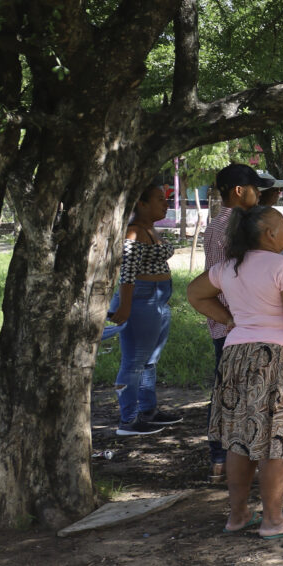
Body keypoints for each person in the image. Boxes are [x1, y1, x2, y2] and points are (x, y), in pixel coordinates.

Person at [187, 206, 283, 539]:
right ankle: (273, 520)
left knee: (239, 439)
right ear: (269, 234)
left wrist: (230, 320)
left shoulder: (229, 267)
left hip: (236, 357)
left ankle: (238, 515)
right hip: (279, 361)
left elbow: (194, 293)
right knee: (275, 440)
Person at [202, 164, 277, 479]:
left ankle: (235, 457)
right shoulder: (226, 228)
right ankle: (223, 458)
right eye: (254, 188)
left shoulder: (235, 223)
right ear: (238, 190)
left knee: (239, 390)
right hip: (234, 325)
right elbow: (220, 280)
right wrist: (233, 318)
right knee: (231, 392)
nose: (258, 194)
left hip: (242, 322)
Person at [108, 182, 178, 437]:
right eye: (159, 199)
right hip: (141, 300)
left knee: (149, 361)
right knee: (134, 362)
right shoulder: (133, 232)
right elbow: (127, 273)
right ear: (141, 203)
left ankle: (148, 411)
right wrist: (125, 306)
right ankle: (128, 420)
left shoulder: (149, 228)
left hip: (157, 300)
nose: (166, 203)